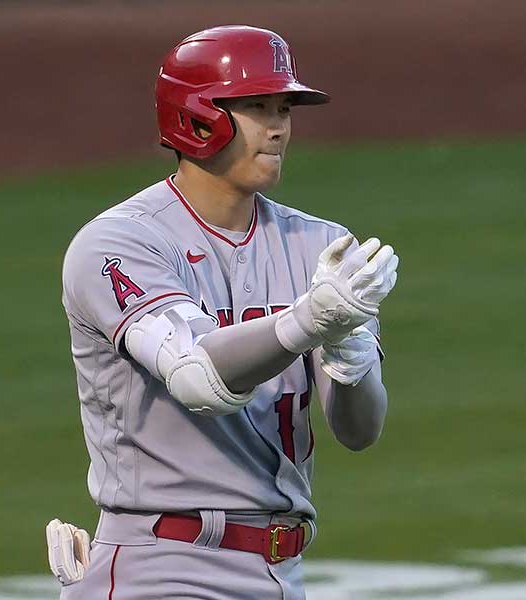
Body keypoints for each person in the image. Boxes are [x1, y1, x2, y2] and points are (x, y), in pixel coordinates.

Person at [45, 25, 399, 600]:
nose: (279, 125)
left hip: (281, 572)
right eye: (256, 106)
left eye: (284, 107)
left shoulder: (321, 247)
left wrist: (349, 353)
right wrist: (310, 320)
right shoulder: (118, 244)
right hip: (164, 567)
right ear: (197, 118)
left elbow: (359, 432)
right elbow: (196, 377)